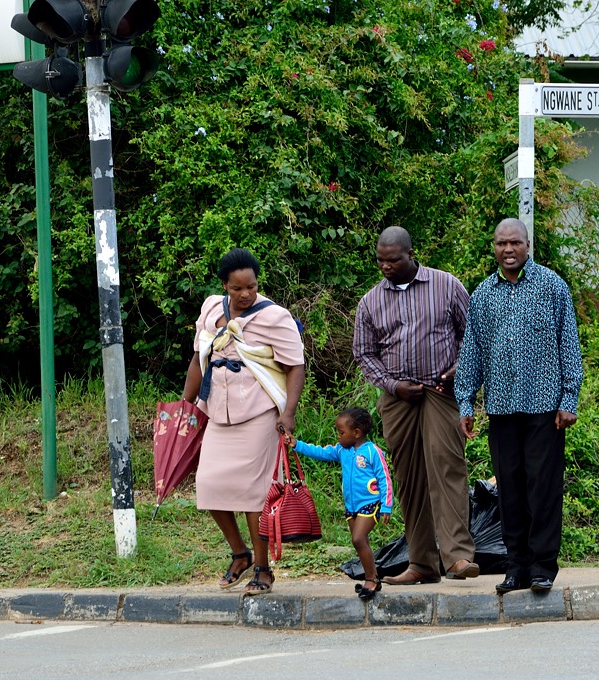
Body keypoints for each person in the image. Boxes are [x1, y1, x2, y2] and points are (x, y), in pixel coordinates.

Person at [454, 218, 584, 594]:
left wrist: (568, 398)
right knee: (509, 489)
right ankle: (516, 567)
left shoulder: (551, 286)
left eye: (515, 243)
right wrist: (466, 403)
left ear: (528, 246)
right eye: (500, 243)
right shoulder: (483, 294)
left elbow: (569, 345)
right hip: (501, 409)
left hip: (545, 408)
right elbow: (473, 351)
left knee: (542, 487)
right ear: (493, 247)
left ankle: (543, 567)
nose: (508, 250)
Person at [353, 226, 479, 586]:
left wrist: (459, 369)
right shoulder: (371, 301)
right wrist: (393, 385)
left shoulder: (446, 285)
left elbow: (471, 334)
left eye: (393, 260)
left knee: (447, 465)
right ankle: (422, 562)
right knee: (409, 478)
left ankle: (457, 557)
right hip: (398, 399)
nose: (386, 267)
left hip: (441, 391)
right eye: (380, 260)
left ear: (411, 255)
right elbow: (364, 353)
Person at [181, 248, 305, 595]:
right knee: (209, 486)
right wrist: (185, 405)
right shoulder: (210, 309)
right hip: (218, 412)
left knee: (255, 496)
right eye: (238, 288)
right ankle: (240, 554)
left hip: (258, 413)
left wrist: (288, 412)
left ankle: (264, 570)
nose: (246, 294)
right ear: (225, 286)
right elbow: (198, 357)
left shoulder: (274, 317)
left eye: (251, 286)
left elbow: (295, 366)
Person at [283, 407, 393, 601]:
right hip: (351, 507)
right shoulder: (342, 450)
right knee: (361, 542)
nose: (338, 436)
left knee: (358, 539)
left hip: (370, 504)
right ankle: (372, 577)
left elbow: (384, 478)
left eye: (341, 432)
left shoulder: (372, 451)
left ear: (357, 433)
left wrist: (386, 505)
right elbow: (320, 452)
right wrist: (296, 444)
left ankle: (371, 579)